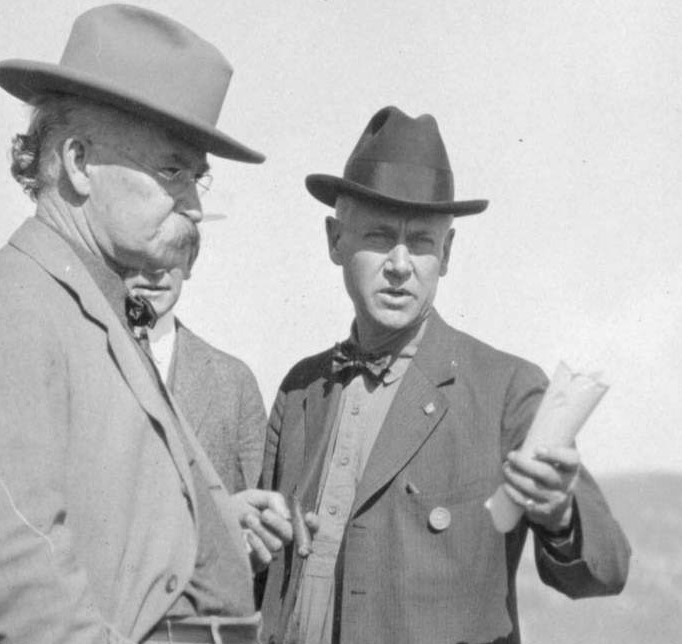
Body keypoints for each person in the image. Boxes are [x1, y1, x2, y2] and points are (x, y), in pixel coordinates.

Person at [0, 6, 291, 644]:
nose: (193, 203)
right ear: (78, 162)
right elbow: (29, 598)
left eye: (198, 177)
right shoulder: (7, 315)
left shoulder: (93, 304)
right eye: (171, 170)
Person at [258, 106, 631, 644]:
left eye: (424, 242)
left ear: (448, 253)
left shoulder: (507, 390)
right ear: (335, 240)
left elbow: (607, 568)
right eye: (381, 237)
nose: (401, 264)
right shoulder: (301, 391)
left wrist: (559, 514)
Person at [126, 228, 267, 493]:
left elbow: (257, 515)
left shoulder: (234, 381)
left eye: (172, 249)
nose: (156, 269)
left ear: (189, 261)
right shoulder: (82, 358)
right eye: (140, 250)